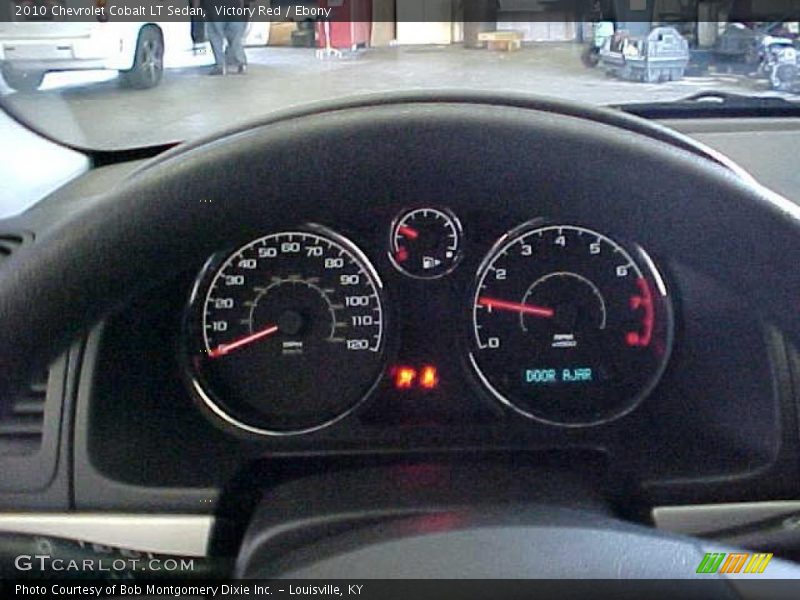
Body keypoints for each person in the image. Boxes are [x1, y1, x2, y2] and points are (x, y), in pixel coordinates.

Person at [200, 0, 248, 75]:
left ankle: (220, 65)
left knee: (216, 36)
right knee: (235, 37)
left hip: (213, 7)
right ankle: (240, 62)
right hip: (234, 6)